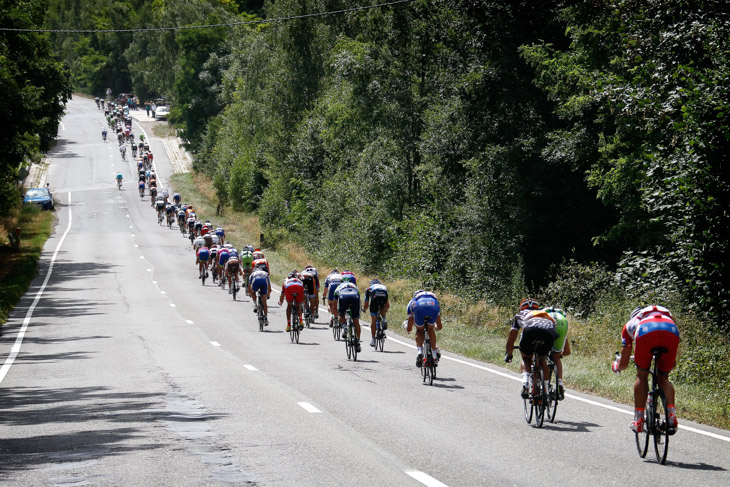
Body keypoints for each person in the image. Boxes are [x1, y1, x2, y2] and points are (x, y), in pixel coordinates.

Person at [612, 305, 680, 434]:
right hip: (670, 329)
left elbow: (624, 363)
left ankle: (638, 421)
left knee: (641, 376)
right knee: (664, 378)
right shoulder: (669, 317)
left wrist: (616, 366)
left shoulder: (629, 325)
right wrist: (662, 371)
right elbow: (672, 364)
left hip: (645, 331)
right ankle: (671, 415)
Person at [504, 298, 557, 399]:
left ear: (522, 307)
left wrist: (509, 354)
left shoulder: (520, 314)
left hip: (530, 331)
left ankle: (526, 383)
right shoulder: (543, 313)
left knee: (526, 358)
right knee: (542, 359)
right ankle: (545, 389)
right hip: (548, 331)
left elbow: (512, 336)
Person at [405, 290, 443, 367]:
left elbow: (409, 328)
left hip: (419, 307)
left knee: (419, 330)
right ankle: (434, 354)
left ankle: (420, 352)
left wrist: (407, 328)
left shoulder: (412, 302)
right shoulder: (435, 300)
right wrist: (435, 327)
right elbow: (439, 326)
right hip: (433, 306)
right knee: (430, 329)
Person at [542, 306, 571, 400]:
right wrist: (557, 354)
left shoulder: (543, 315)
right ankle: (560, 384)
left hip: (547, 324)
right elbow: (567, 352)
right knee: (556, 357)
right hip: (562, 326)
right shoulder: (563, 319)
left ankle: (543, 385)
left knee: (541, 355)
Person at [334, 277, 361, 351]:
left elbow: (335, 303)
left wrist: (336, 315)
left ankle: (345, 327)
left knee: (341, 314)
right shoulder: (354, 285)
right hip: (355, 297)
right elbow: (359, 298)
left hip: (343, 296)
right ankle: (357, 342)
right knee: (356, 320)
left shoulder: (339, 287)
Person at [362, 279, 389, 348]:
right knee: (383, 306)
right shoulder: (383, 287)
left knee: (373, 321)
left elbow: (366, 303)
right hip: (383, 296)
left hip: (375, 299)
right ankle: (384, 319)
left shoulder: (369, 289)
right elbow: (387, 304)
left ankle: (373, 339)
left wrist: (364, 309)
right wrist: (385, 310)